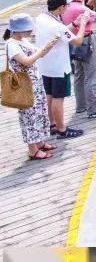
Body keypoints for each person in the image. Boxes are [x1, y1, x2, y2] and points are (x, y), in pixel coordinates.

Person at [35, 0, 90, 139]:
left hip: (45, 66)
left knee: (50, 95)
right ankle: (61, 129)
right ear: (61, 8)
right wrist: (83, 23)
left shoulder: (41, 18)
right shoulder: (58, 26)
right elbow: (78, 41)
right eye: (65, 6)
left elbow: (61, 33)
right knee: (59, 98)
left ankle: (52, 125)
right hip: (59, 68)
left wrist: (73, 24)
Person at [5, 13, 59, 160]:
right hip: (24, 86)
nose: (30, 32)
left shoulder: (23, 40)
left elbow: (38, 54)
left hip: (35, 82)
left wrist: (49, 46)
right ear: (19, 29)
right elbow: (27, 61)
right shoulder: (12, 44)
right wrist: (43, 49)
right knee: (29, 116)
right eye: (28, 29)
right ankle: (32, 149)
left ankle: (40, 142)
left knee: (39, 112)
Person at [62, 0, 96, 120]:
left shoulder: (66, 6)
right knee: (92, 75)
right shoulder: (82, 9)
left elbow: (79, 12)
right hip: (87, 41)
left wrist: (89, 4)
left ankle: (81, 106)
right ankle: (93, 108)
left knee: (79, 75)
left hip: (73, 42)